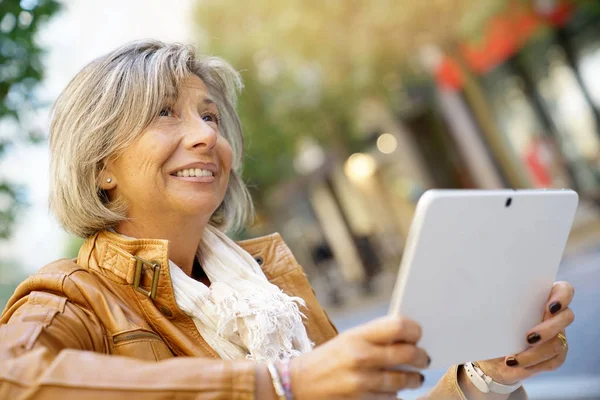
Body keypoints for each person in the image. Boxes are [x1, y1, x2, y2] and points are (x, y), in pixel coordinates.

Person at [0, 40, 575, 400]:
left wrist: (485, 377)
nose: (206, 135)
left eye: (209, 115)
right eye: (164, 115)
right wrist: (281, 386)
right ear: (102, 167)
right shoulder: (70, 299)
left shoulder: (267, 283)